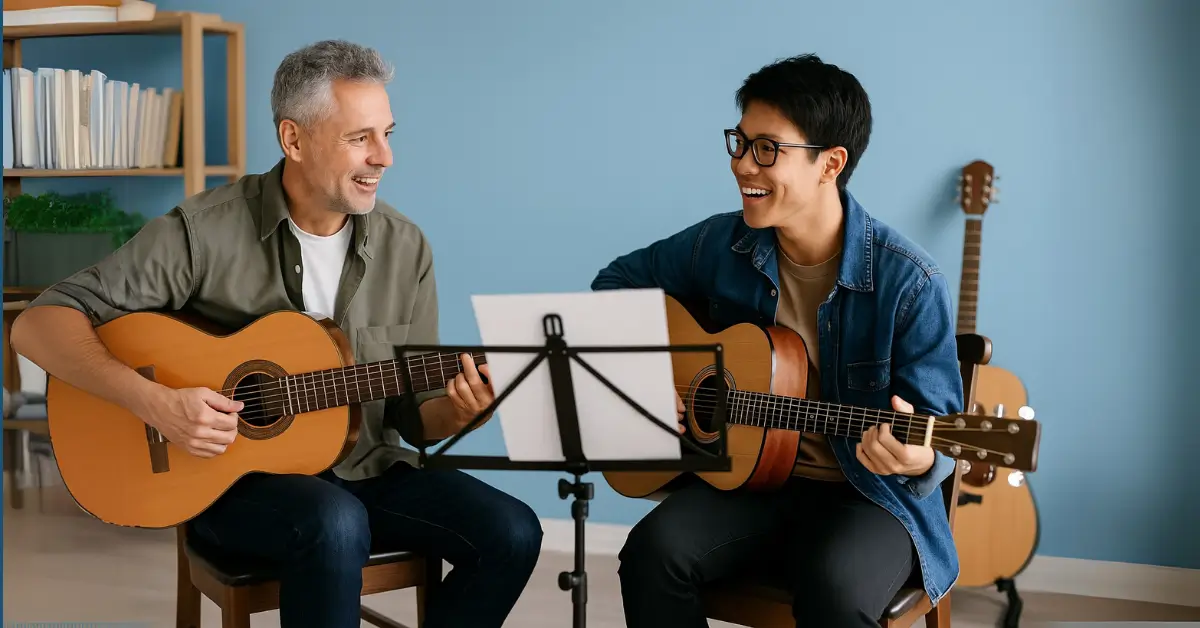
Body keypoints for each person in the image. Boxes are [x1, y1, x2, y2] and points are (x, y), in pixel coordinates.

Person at [10, 40, 542, 628]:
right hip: (233, 486)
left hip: (366, 470)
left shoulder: (405, 245)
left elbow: (414, 418)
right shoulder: (202, 231)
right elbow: (38, 323)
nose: (384, 157)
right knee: (334, 522)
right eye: (359, 138)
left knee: (512, 531)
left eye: (388, 133)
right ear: (293, 140)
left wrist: (466, 410)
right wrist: (155, 403)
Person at [590, 54, 963, 627]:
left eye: (767, 149)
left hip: (868, 497)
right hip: (752, 481)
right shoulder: (722, 243)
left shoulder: (910, 282)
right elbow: (613, 284)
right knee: (651, 554)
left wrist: (917, 456)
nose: (743, 165)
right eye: (738, 144)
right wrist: (647, 387)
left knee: (833, 588)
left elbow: (941, 438)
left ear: (829, 163)